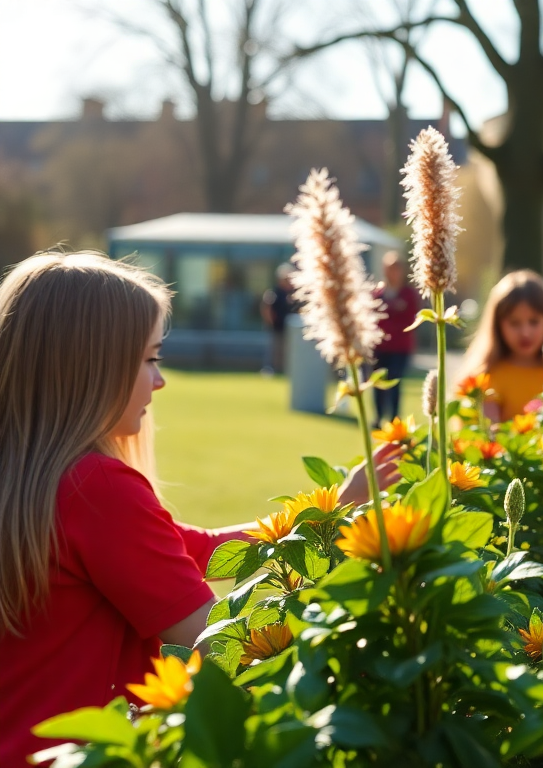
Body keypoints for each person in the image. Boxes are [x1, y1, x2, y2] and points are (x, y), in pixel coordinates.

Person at [0, 253, 401, 765]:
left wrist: (329, 514)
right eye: (149, 360)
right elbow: (215, 640)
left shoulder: (36, 480)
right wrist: (365, 653)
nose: (159, 382)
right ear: (91, 367)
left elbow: (199, 551)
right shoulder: (96, 488)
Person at [456, 270, 543, 422]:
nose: (525, 333)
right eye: (514, 323)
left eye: (534, 321)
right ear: (497, 325)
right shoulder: (486, 378)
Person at [371, 251, 421, 425]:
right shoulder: (378, 292)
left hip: (400, 348)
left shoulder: (408, 294)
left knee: (394, 383)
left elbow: (409, 318)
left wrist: (390, 309)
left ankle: (394, 419)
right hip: (379, 347)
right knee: (377, 383)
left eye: (396, 268)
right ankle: (378, 416)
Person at [259, 263, 294, 374]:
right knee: (274, 350)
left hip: (289, 328)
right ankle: (271, 369)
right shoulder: (274, 293)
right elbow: (266, 308)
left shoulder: (291, 293)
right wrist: (271, 323)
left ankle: (284, 369)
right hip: (277, 327)